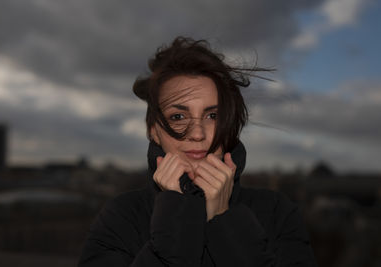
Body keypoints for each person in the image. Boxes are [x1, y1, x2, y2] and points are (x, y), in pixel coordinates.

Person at [78, 37, 317, 266]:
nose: (198, 133)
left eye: (212, 116)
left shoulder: (276, 212)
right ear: (153, 131)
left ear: (231, 125)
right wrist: (173, 226)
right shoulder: (123, 215)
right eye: (178, 116)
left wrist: (225, 222)